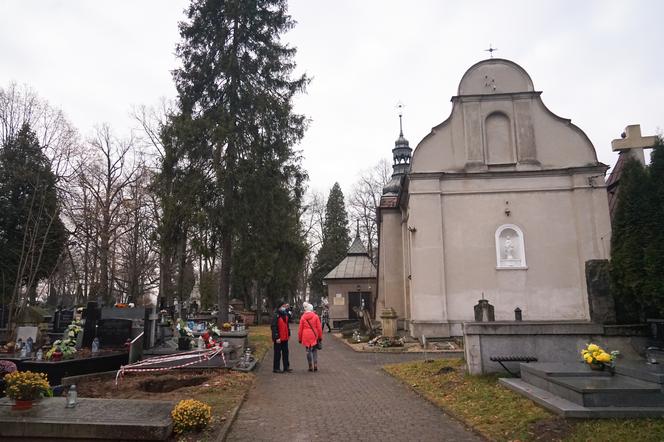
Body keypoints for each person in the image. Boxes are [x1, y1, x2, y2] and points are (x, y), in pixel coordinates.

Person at [298, 302, 323, 372]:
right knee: (314, 350)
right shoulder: (315, 316)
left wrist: (300, 338)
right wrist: (320, 337)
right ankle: (315, 364)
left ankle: (310, 366)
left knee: (308, 350)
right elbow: (319, 328)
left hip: (305, 335)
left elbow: (300, 329)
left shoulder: (303, 317)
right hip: (314, 335)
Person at [270, 300, 292, 373]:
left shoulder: (285, 314)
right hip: (279, 338)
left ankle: (286, 367)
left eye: (285, 306)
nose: (284, 307)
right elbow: (274, 327)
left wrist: (288, 333)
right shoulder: (275, 315)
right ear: (279, 307)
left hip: (285, 337)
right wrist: (276, 337)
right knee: (277, 353)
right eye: (283, 306)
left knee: (286, 353)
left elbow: (287, 325)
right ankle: (276, 368)